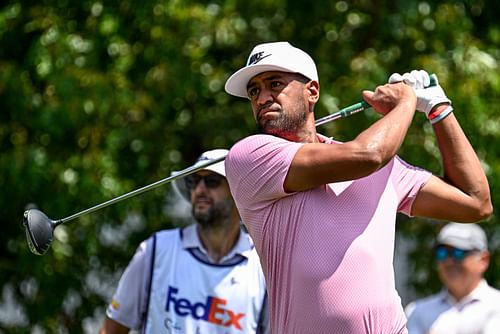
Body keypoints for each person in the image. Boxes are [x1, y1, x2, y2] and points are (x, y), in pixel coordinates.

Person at [223, 41, 492, 333]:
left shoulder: (386, 167)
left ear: (312, 91)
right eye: (254, 91)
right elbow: (369, 155)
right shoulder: (249, 156)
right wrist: (406, 102)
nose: (262, 98)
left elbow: (476, 203)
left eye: (274, 84)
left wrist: (438, 107)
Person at [100, 149, 269, 334]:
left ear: (239, 193)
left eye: (212, 182)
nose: (199, 189)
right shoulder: (155, 250)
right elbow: (112, 328)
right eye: (194, 181)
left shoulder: (264, 268)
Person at [405, 222, 500, 334]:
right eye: (442, 253)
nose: (449, 261)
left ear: (483, 260)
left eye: (458, 253)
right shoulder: (416, 311)